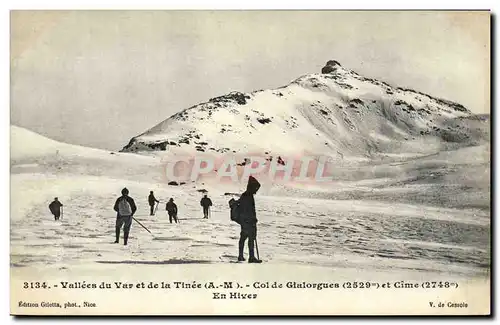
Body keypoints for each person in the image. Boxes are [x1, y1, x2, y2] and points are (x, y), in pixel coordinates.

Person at [237, 176, 262, 263]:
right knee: (250, 238)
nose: (256, 190)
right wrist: (252, 219)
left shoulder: (246, 195)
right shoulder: (248, 196)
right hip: (248, 221)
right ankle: (251, 257)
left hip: (245, 221)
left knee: (244, 237)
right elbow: (248, 210)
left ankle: (241, 256)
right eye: (255, 188)